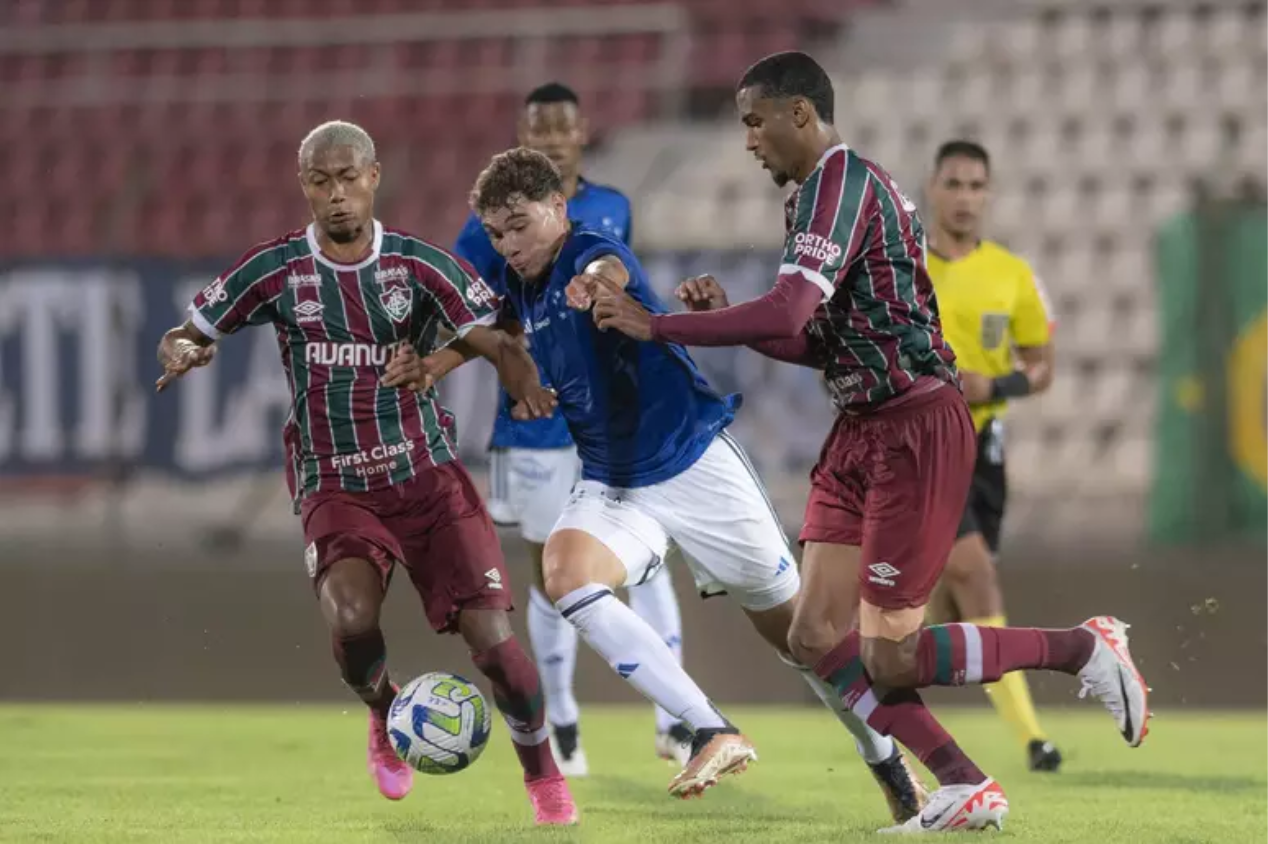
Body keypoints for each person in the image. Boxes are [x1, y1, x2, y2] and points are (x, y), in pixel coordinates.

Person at [589, 51, 1150, 832]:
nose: (749, 142)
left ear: (798, 114)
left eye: (755, 121)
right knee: (813, 633)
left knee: (889, 654)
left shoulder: (844, 183)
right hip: (859, 430)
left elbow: (786, 315)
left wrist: (659, 325)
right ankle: (962, 783)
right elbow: (815, 340)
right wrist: (729, 314)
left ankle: (1081, 648)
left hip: (916, 426)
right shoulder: (812, 202)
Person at [422, 145, 929, 821]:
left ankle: (891, 765)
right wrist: (442, 364)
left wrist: (598, 286)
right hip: (612, 482)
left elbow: (610, 272)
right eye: (496, 233)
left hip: (695, 465)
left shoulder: (590, 253)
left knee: (805, 642)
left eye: (519, 224)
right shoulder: (521, 286)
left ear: (558, 208)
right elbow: (498, 332)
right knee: (566, 576)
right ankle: (710, 727)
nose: (508, 243)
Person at [153, 121, 579, 827]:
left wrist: (520, 380)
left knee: (496, 648)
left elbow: (497, 339)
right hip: (335, 482)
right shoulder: (276, 271)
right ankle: (385, 712)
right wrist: (181, 351)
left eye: (349, 177)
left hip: (427, 477)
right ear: (305, 187)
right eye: (321, 181)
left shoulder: (418, 267)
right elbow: (189, 331)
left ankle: (544, 779)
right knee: (351, 620)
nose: (337, 194)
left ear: (374, 177)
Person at [453, 82, 690, 775]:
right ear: (523, 138)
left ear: (584, 132)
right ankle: (562, 721)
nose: (552, 139)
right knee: (550, 575)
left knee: (648, 561)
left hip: (612, 422)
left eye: (562, 127)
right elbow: (469, 311)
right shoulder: (488, 223)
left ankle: (676, 721)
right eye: (538, 128)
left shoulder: (612, 208)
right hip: (533, 425)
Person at [923, 139, 1063, 772]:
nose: (965, 198)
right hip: (925, 447)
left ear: (990, 194)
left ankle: (869, 688)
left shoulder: (1013, 274)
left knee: (947, 610)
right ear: (932, 189)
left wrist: (994, 386)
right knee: (975, 576)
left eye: (977, 186)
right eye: (954, 184)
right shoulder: (906, 270)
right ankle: (1035, 741)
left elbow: (1040, 369)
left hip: (988, 450)